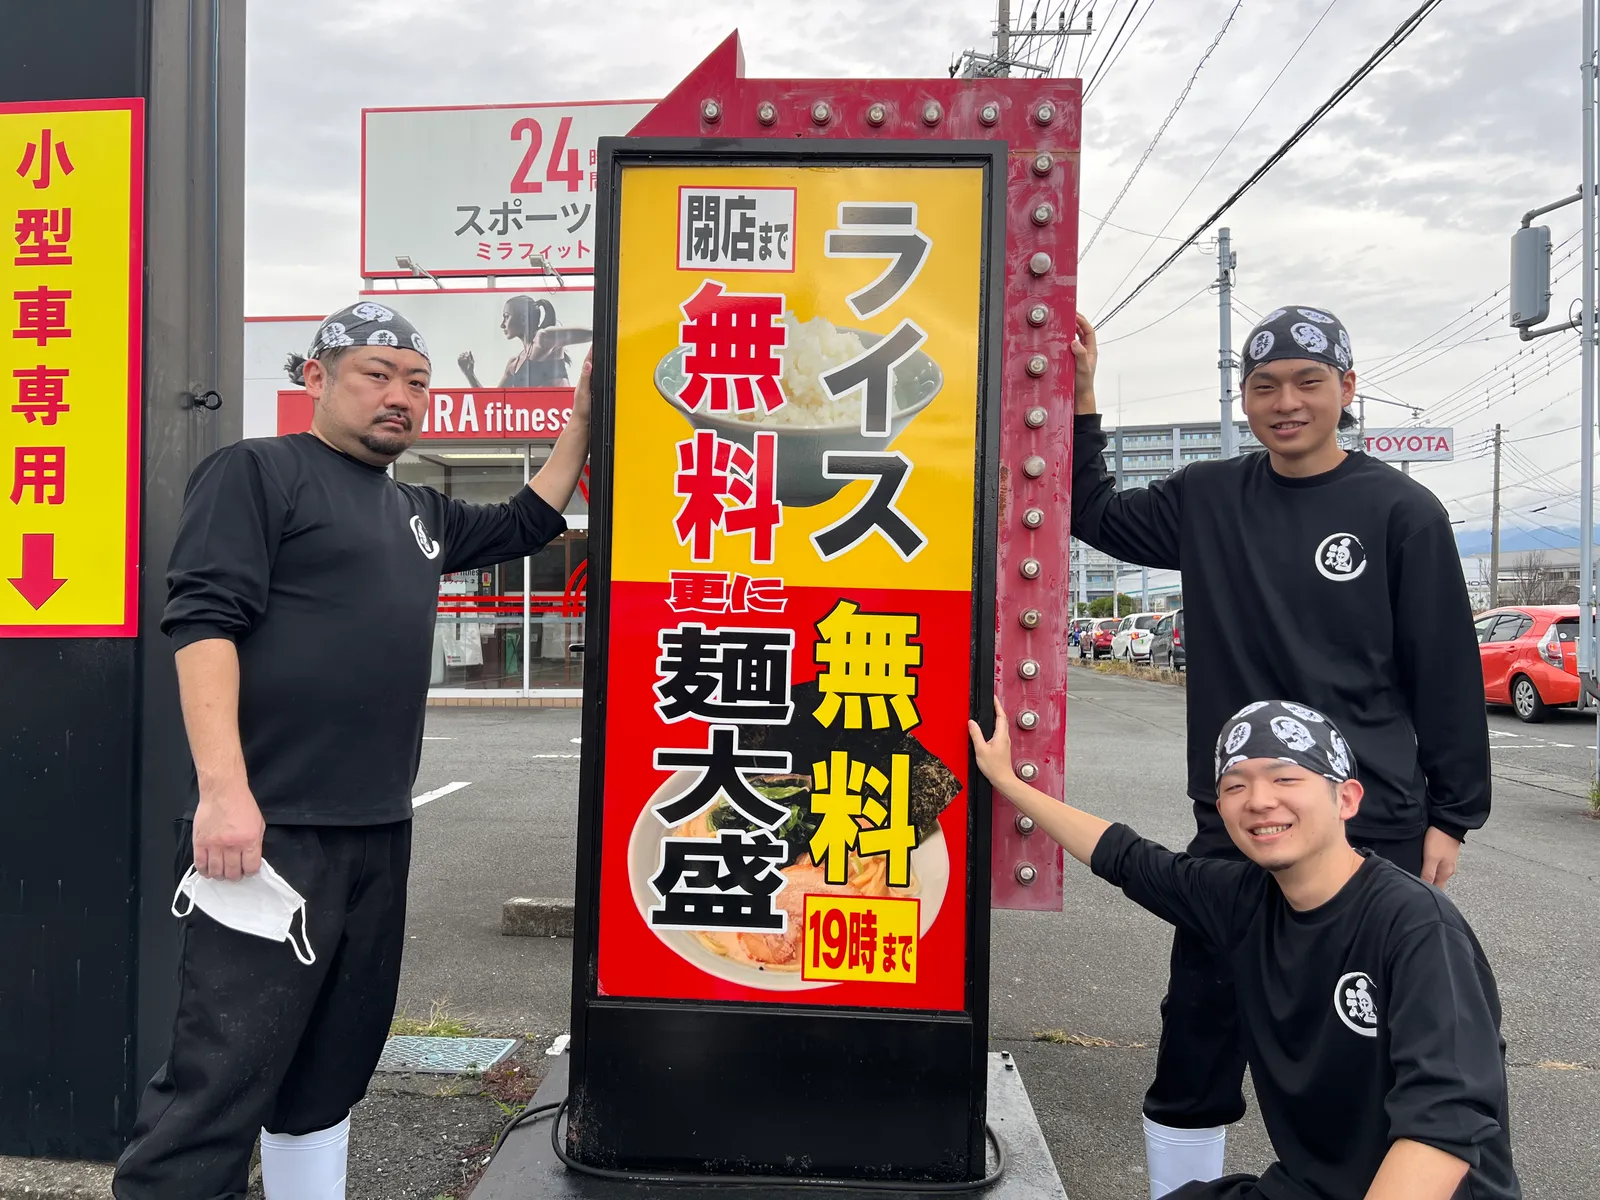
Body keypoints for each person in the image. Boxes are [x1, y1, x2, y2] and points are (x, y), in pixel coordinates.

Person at [113, 300, 591, 1200]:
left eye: (416, 381)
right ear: (316, 380)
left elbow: (530, 521)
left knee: (332, 1068)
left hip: (378, 829)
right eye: (376, 374)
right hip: (268, 832)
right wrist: (224, 793)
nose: (400, 396)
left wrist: (581, 421)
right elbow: (204, 623)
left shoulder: (419, 511)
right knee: (219, 1078)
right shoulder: (256, 471)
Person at [1069, 305, 1491, 1192]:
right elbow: (1092, 511)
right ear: (1246, 399)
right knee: (1198, 1035)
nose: (1286, 402)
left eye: (1309, 382)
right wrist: (1081, 397)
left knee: (1371, 1051)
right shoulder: (1210, 497)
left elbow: (1445, 671)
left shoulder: (1401, 511)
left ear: (1347, 388)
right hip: (1240, 821)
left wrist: (1453, 814)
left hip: (1365, 823)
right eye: (1265, 386)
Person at [970, 698, 1518, 1200]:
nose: (1259, 800)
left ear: (1347, 797)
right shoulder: (1243, 900)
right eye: (1235, 786)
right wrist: (1008, 781)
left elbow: (1443, 1124)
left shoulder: (1415, 926)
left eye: (1285, 778)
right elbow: (1128, 858)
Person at [458, 293, 591, 388]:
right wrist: (469, 374)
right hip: (538, 423)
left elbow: (593, 334)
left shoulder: (544, 338)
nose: (502, 324)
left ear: (523, 318)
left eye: (506, 317)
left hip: (562, 419)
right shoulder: (513, 364)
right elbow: (492, 404)